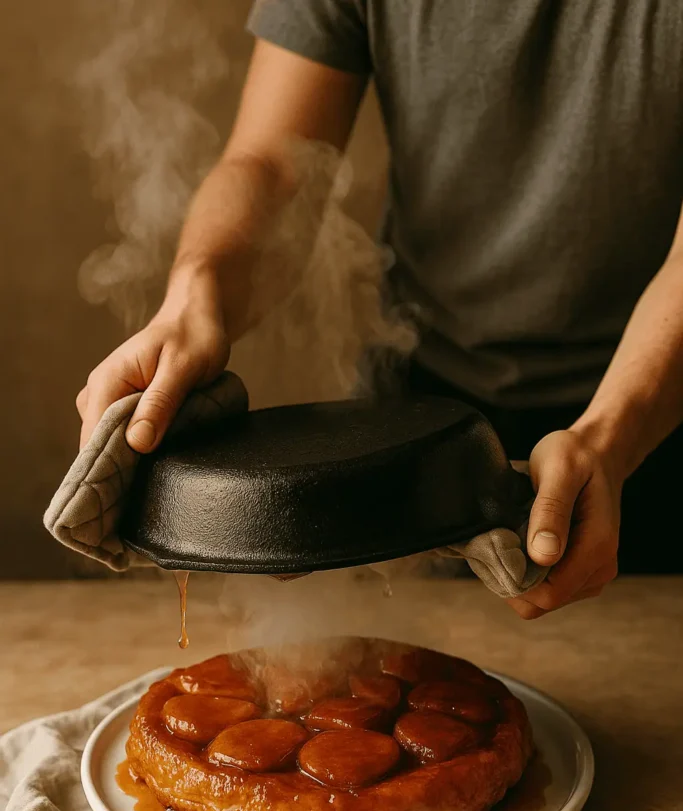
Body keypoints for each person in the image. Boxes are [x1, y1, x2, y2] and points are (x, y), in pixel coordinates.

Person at [76, 2, 683, 619]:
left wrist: (611, 437)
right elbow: (276, 161)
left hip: (652, 417)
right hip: (417, 428)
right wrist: (195, 293)